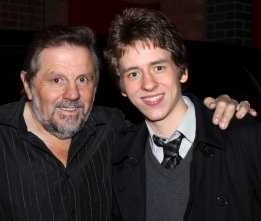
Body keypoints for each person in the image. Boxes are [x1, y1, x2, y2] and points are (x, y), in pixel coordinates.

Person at [0, 25, 254, 220]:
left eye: (83, 79)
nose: (72, 94)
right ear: (28, 83)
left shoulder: (113, 131)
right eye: (57, 80)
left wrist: (221, 105)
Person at [104, 8, 261, 221]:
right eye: (133, 73)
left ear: (182, 71)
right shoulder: (119, 160)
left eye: (158, 67)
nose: (148, 84)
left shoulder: (243, 136)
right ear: (122, 87)